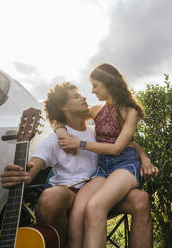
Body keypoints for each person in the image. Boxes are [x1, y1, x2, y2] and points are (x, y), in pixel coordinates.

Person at [0, 82, 158, 248]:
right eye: (76, 96)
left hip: (102, 189)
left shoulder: (97, 132)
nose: (84, 97)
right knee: (51, 197)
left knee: (141, 199)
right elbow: (35, 164)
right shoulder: (55, 139)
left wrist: (145, 160)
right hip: (70, 193)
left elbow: (127, 144)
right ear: (63, 107)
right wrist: (22, 175)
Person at [54, 63, 151, 248]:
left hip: (125, 166)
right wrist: (61, 132)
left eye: (96, 85)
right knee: (77, 211)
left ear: (108, 83)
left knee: (95, 206)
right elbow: (60, 119)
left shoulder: (131, 111)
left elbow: (117, 148)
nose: (92, 91)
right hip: (102, 168)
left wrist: (80, 143)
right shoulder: (96, 111)